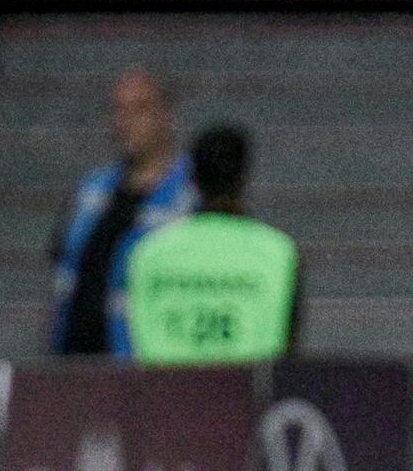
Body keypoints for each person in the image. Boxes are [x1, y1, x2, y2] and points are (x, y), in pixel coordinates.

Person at [126, 124, 301, 365]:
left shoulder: (149, 252)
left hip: (167, 398)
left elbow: (138, 343)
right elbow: (287, 352)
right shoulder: (277, 252)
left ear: (193, 178)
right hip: (244, 398)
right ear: (243, 176)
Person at [50, 69, 193, 358]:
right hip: (75, 359)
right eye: (119, 110)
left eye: (139, 110)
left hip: (143, 364)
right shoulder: (92, 191)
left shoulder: (188, 196)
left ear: (165, 116)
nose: (124, 123)